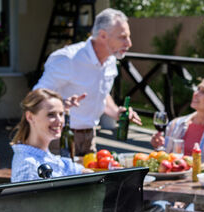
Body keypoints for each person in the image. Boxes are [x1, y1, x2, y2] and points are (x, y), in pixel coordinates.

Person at [34, 8, 142, 156]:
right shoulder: (68, 59)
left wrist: (116, 112)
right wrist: (61, 105)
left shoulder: (110, 60)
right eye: (123, 37)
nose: (129, 43)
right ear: (103, 35)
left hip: (90, 137)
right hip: (60, 138)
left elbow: (102, 94)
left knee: (92, 178)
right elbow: (36, 96)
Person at [150, 76, 204, 163]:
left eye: (203, 91)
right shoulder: (175, 124)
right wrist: (158, 147)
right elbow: (162, 162)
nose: (196, 93)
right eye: (198, 88)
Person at [10, 89, 86, 182]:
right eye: (51, 114)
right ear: (30, 117)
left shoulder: (42, 154)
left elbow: (68, 168)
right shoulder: (28, 166)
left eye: (61, 114)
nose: (60, 121)